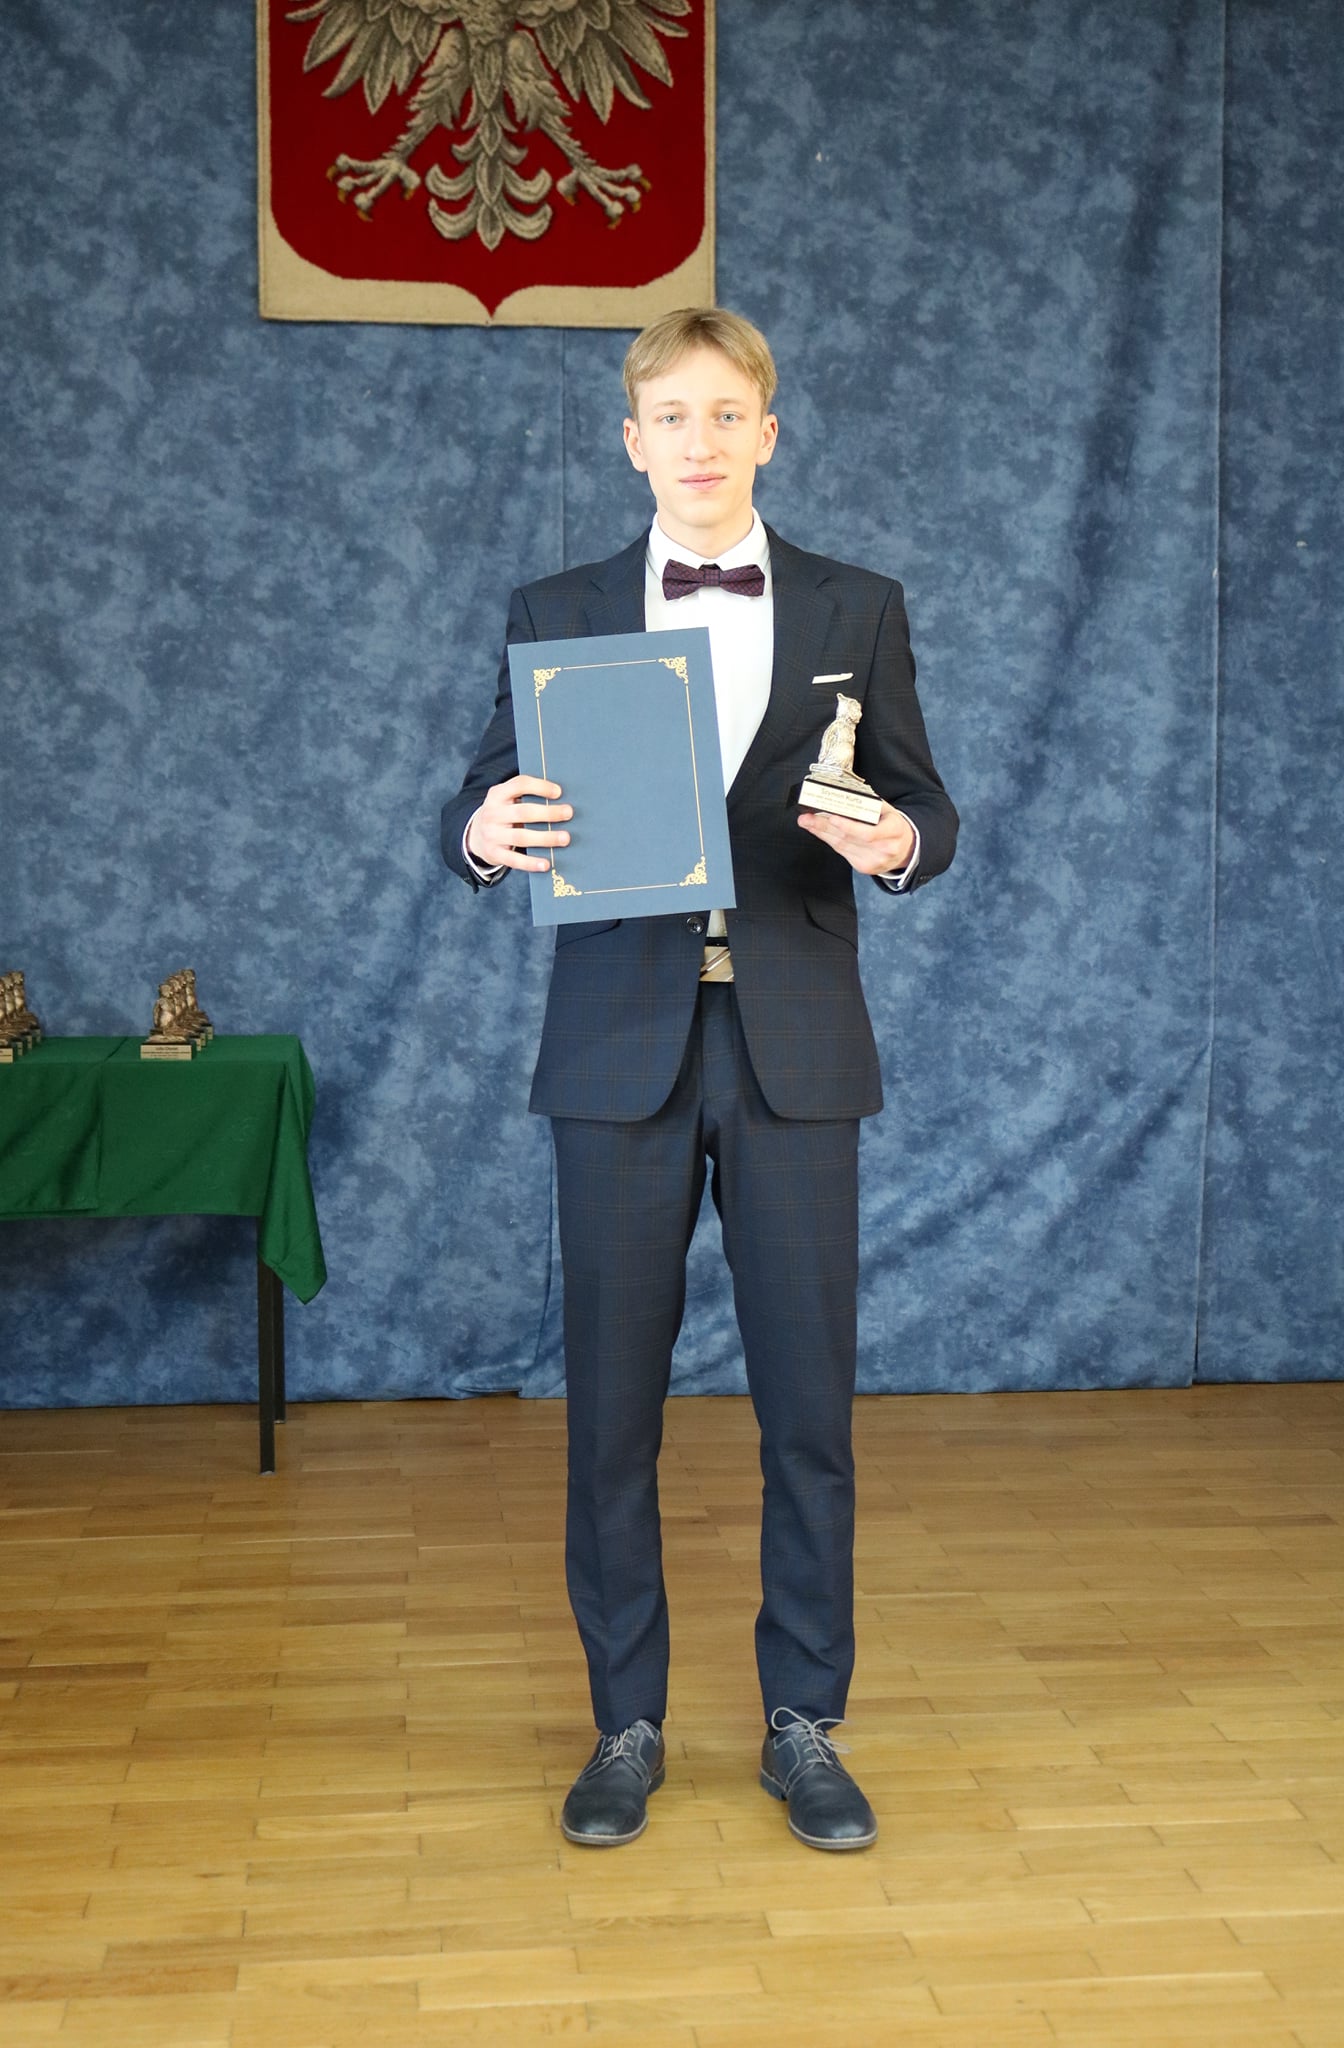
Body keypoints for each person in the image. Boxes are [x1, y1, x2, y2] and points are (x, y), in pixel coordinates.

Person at [441, 307, 957, 1852]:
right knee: (609, 1411)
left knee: (808, 1410)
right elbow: (480, 794)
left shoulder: (859, 605)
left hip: (796, 1050)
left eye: (728, 414)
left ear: (768, 434)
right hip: (618, 1053)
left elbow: (923, 804)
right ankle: (626, 1723)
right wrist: (483, 832)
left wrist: (900, 841)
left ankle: (804, 1721)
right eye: (672, 415)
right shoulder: (558, 606)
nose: (701, 441)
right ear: (631, 441)